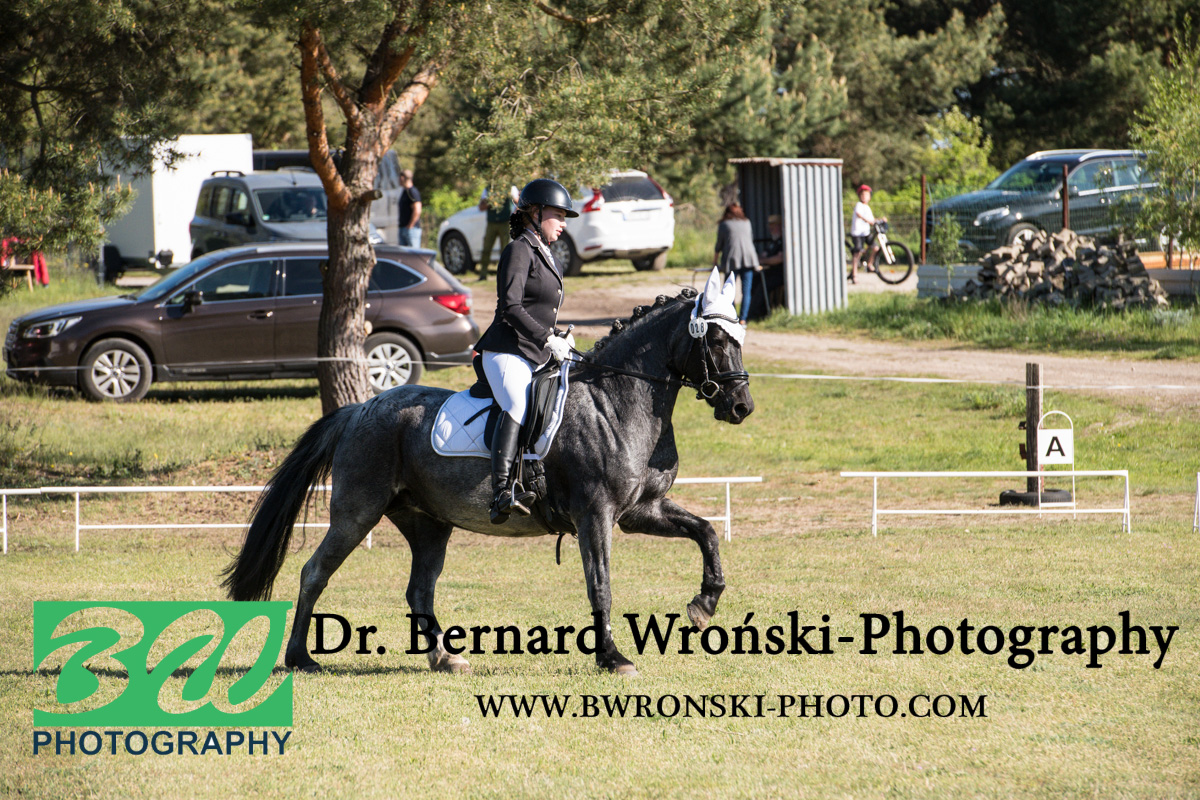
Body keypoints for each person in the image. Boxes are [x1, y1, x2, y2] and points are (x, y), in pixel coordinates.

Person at [474, 178, 578, 524]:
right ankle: (502, 491)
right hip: (506, 350)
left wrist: (558, 337)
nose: (563, 223)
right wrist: (547, 337)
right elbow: (511, 306)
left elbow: (540, 309)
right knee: (517, 403)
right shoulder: (519, 249)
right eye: (558, 215)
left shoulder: (545, 252)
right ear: (535, 212)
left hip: (534, 352)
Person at [713, 203, 759, 323]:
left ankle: (733, 317)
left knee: (728, 290)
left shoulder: (724, 224)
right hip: (749, 259)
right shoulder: (747, 222)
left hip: (732, 260)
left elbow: (719, 245)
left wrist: (715, 262)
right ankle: (743, 319)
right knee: (746, 291)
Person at [477, 185, 518, 281]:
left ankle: (505, 275)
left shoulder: (510, 187)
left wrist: (515, 214)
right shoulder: (488, 189)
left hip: (504, 222)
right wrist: (492, 201)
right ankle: (483, 274)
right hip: (491, 223)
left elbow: (518, 202)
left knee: (504, 249)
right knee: (486, 248)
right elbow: (481, 207)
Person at [848, 184, 885, 283]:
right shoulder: (859, 205)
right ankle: (854, 274)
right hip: (857, 233)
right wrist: (867, 220)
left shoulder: (867, 207)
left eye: (866, 195)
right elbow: (859, 214)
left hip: (865, 232)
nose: (864, 197)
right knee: (858, 252)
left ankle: (869, 264)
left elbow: (872, 220)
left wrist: (881, 220)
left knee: (875, 248)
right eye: (863, 195)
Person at [754, 213, 785, 317]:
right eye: (770, 225)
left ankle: (758, 314)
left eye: (773, 225)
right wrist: (756, 259)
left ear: (780, 226)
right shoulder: (774, 242)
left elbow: (779, 259)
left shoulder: (783, 241)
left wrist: (764, 260)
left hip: (779, 274)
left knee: (762, 286)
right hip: (770, 272)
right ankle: (758, 313)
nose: (771, 228)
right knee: (755, 280)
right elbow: (764, 254)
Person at [398, 168, 423, 248]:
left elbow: (417, 210)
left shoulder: (412, 192)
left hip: (411, 229)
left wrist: (410, 226)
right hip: (403, 228)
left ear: (402, 178)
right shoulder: (405, 191)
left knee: (413, 253)